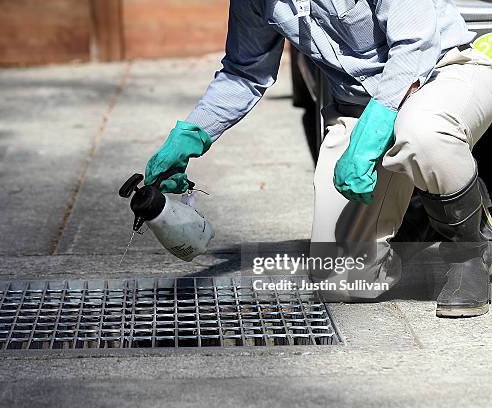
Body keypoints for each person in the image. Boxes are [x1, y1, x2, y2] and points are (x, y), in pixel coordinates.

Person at [143, 1, 492, 317]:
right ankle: (423, 207)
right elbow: (244, 72)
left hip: (443, 73)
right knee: (340, 279)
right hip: (358, 107)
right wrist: (191, 135)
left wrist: (371, 136)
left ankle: (467, 252)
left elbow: (415, 47)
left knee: (423, 132)